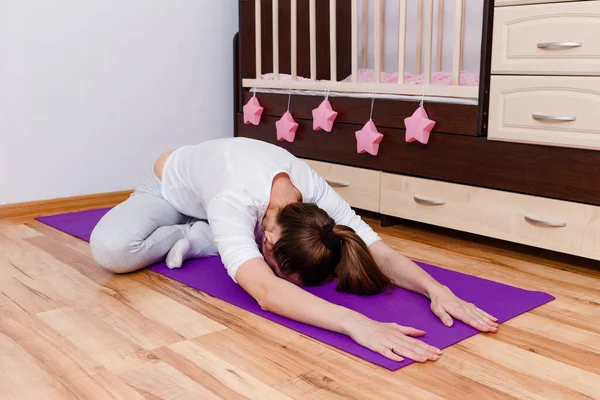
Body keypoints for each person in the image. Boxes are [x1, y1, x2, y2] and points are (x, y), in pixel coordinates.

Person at [90, 137, 498, 363]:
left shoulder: (314, 195)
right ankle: (205, 235)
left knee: (224, 238)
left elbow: (380, 251)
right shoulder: (234, 198)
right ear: (266, 241)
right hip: (168, 192)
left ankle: (210, 238)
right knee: (113, 250)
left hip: (225, 209)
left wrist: (436, 289)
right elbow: (266, 292)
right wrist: (356, 323)